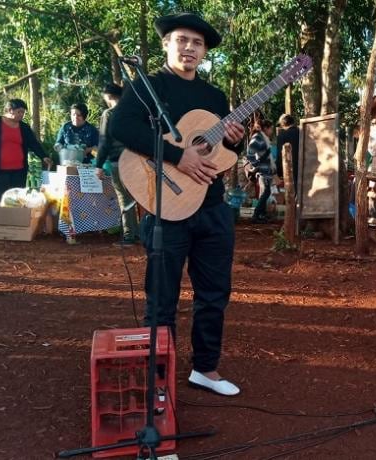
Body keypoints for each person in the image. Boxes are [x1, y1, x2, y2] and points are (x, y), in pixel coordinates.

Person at [109, 12, 245, 397]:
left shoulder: (215, 96)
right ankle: (158, 379)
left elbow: (222, 150)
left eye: (197, 43)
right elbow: (121, 128)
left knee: (215, 293)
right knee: (162, 298)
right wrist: (175, 156)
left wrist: (236, 137)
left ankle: (205, 368)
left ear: (204, 52)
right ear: (167, 44)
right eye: (182, 40)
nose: (189, 48)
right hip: (165, 205)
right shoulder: (146, 86)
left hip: (211, 204)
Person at [0, 99, 53, 203]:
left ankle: (15, 219)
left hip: (19, 170)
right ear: (10, 110)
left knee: (17, 198)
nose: (21, 115)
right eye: (19, 112)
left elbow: (33, 143)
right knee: (0, 198)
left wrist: (43, 156)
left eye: (23, 112)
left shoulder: (24, 127)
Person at [94, 83, 139, 245]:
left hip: (117, 161)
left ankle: (128, 235)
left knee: (123, 198)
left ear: (109, 97)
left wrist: (98, 165)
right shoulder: (133, 112)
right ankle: (138, 232)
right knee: (136, 196)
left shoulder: (109, 114)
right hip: (135, 160)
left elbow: (104, 140)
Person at [248, 118, 275, 224]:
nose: (271, 131)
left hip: (266, 169)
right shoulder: (257, 138)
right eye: (270, 129)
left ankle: (261, 214)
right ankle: (256, 215)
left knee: (265, 192)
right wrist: (257, 165)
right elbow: (250, 155)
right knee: (266, 192)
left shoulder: (264, 139)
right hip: (262, 170)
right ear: (266, 128)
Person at [275, 114, 300, 191]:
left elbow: (280, 155)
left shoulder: (282, 135)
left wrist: (278, 171)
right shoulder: (302, 132)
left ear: (283, 124)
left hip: (288, 170)